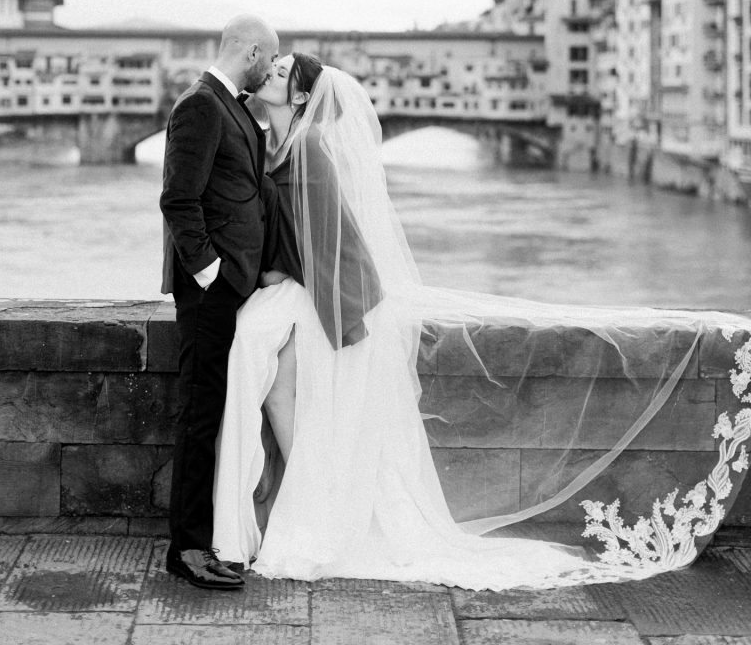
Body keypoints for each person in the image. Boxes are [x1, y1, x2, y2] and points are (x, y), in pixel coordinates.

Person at [212, 54, 751, 590]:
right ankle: (307, 499)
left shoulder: (307, 147)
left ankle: (309, 504)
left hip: (334, 299)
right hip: (310, 289)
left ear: (303, 97)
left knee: (277, 377)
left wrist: (316, 303)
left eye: (281, 73)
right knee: (276, 378)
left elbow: (337, 242)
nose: (270, 75)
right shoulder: (276, 139)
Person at [160, 14, 278, 590]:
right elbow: (179, 200)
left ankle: (201, 540)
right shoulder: (201, 104)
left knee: (213, 412)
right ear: (251, 51)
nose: (270, 70)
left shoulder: (231, 104)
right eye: (269, 59)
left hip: (234, 287)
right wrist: (212, 274)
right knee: (200, 415)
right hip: (212, 291)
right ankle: (186, 550)